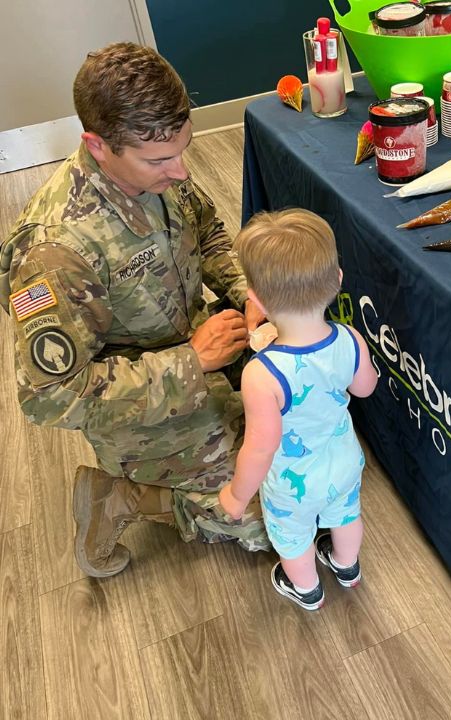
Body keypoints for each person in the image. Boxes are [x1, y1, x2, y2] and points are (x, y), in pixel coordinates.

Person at [0, 42, 270, 578]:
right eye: (158, 160)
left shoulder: (164, 178)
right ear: (97, 146)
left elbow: (210, 233)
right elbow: (50, 398)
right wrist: (191, 363)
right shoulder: (56, 251)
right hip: (140, 403)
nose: (183, 171)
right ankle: (120, 496)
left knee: (313, 424)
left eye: (183, 148)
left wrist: (244, 291)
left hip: (201, 341)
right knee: (274, 517)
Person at [219, 209, 377, 611]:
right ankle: (347, 566)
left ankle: (306, 590)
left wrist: (238, 497)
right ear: (337, 280)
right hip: (343, 462)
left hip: (293, 483)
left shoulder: (262, 373)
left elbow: (260, 449)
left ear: (255, 300)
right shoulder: (350, 337)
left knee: (291, 537)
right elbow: (365, 386)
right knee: (346, 515)